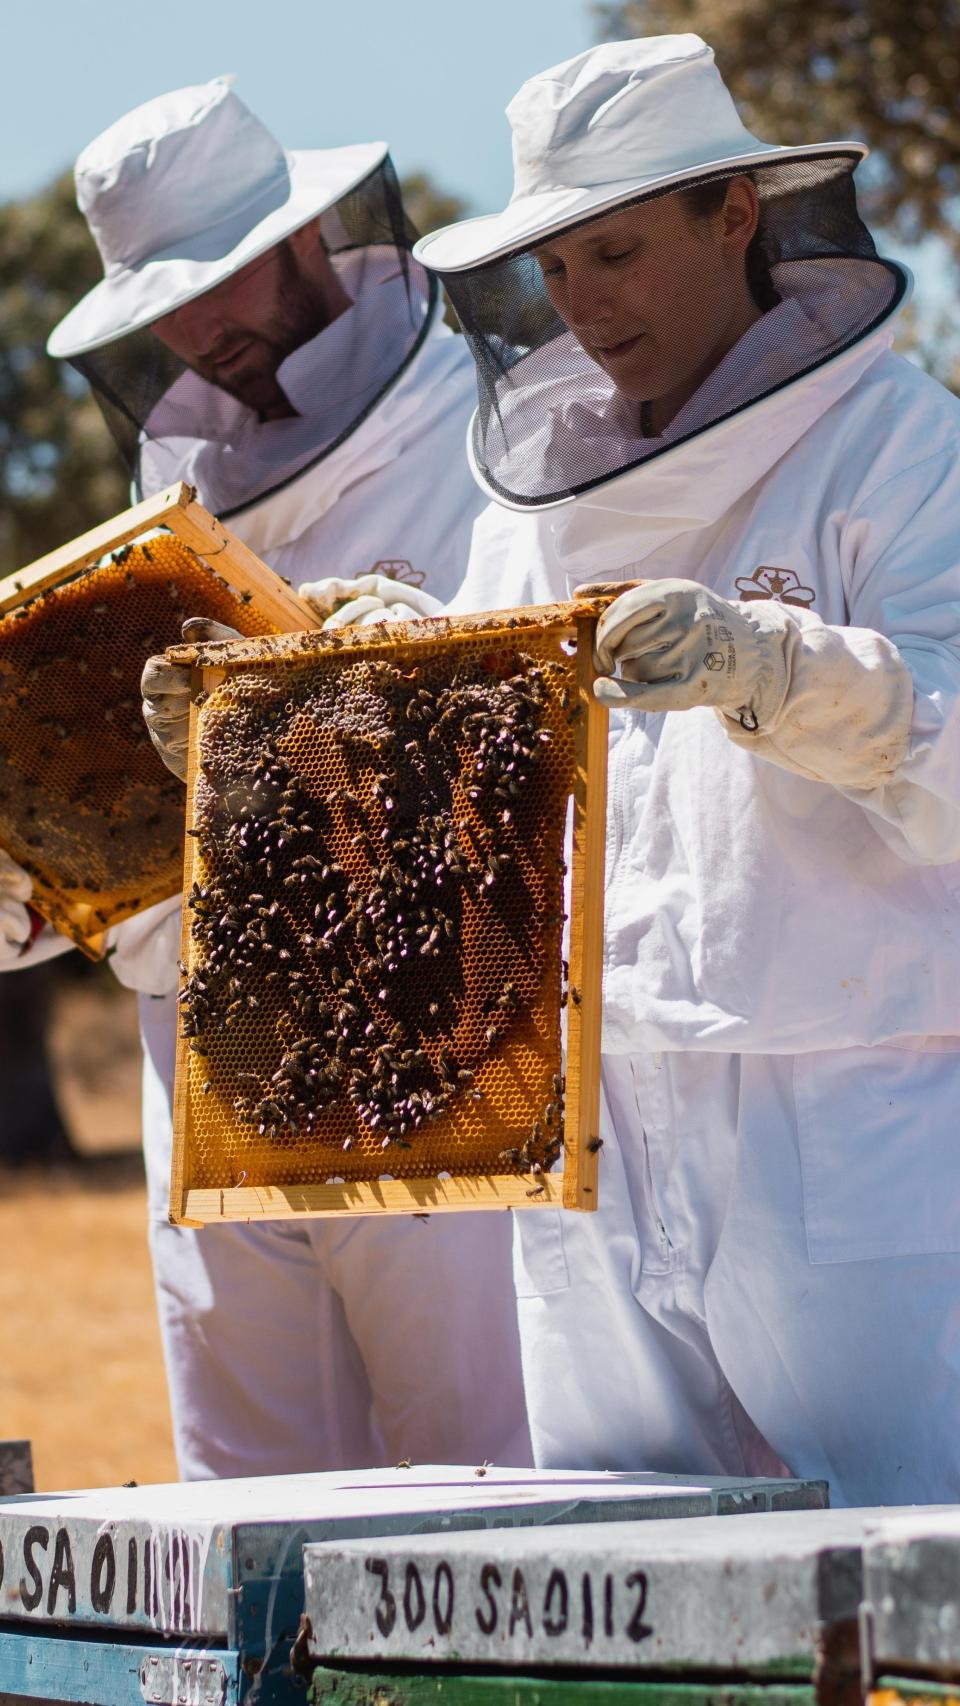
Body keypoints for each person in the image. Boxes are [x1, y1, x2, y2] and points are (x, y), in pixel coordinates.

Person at [411, 33, 960, 1507]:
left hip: (841, 1101)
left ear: (736, 215)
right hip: (584, 1114)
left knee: (911, 1557)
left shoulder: (898, 447)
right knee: (619, 1578)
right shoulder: (526, 515)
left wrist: (777, 669)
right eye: (559, 269)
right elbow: (453, 782)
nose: (586, 306)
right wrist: (345, 676)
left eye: (618, 251)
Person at [45, 76, 531, 1479]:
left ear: (305, 235)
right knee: (245, 1515)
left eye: (217, 288)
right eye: (165, 312)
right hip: (213, 1056)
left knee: (479, 1489)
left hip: (442, 1039)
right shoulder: (176, 463)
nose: (200, 336)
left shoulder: (486, 432)